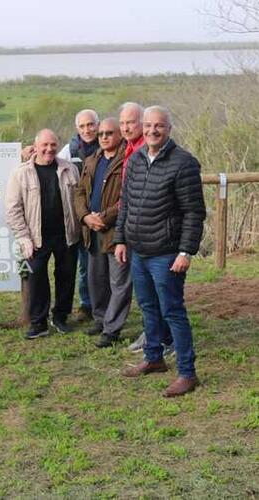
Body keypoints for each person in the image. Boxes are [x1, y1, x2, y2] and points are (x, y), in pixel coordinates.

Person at [114, 106, 206, 397]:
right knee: (148, 307)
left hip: (167, 253)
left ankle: (187, 373)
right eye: (149, 125)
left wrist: (185, 252)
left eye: (160, 126)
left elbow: (194, 212)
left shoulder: (184, 163)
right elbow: (125, 203)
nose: (153, 130)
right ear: (143, 126)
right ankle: (154, 358)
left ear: (169, 129)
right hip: (139, 250)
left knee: (172, 312)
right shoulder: (137, 159)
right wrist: (120, 239)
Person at [5, 129, 80, 339]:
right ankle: (39, 322)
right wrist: (23, 237)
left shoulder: (69, 169)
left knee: (66, 276)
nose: (49, 149)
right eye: (44, 145)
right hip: (36, 237)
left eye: (53, 145)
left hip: (66, 234)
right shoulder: (21, 173)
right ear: (35, 147)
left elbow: (78, 200)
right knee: (36, 276)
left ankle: (60, 317)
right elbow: (13, 208)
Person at [118, 102, 174, 356]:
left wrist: (185, 249)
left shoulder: (153, 151)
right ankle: (154, 339)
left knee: (164, 296)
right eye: (123, 123)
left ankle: (166, 339)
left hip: (159, 238)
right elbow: (128, 197)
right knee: (147, 297)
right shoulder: (130, 150)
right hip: (136, 231)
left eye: (132, 122)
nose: (127, 127)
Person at [74, 118, 132, 348]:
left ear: (119, 135)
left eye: (109, 133)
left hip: (116, 231)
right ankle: (100, 318)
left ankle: (112, 329)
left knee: (119, 282)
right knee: (96, 280)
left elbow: (127, 196)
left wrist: (104, 217)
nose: (104, 137)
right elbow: (78, 192)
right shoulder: (91, 160)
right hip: (92, 230)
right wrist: (86, 217)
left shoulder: (128, 160)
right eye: (101, 134)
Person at [59, 109, 100, 323]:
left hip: (102, 215)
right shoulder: (69, 150)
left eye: (91, 124)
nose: (87, 130)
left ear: (98, 124)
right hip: (77, 215)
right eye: (82, 126)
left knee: (101, 262)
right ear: (77, 128)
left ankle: (103, 304)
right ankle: (86, 305)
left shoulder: (108, 145)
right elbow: (53, 164)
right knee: (84, 264)